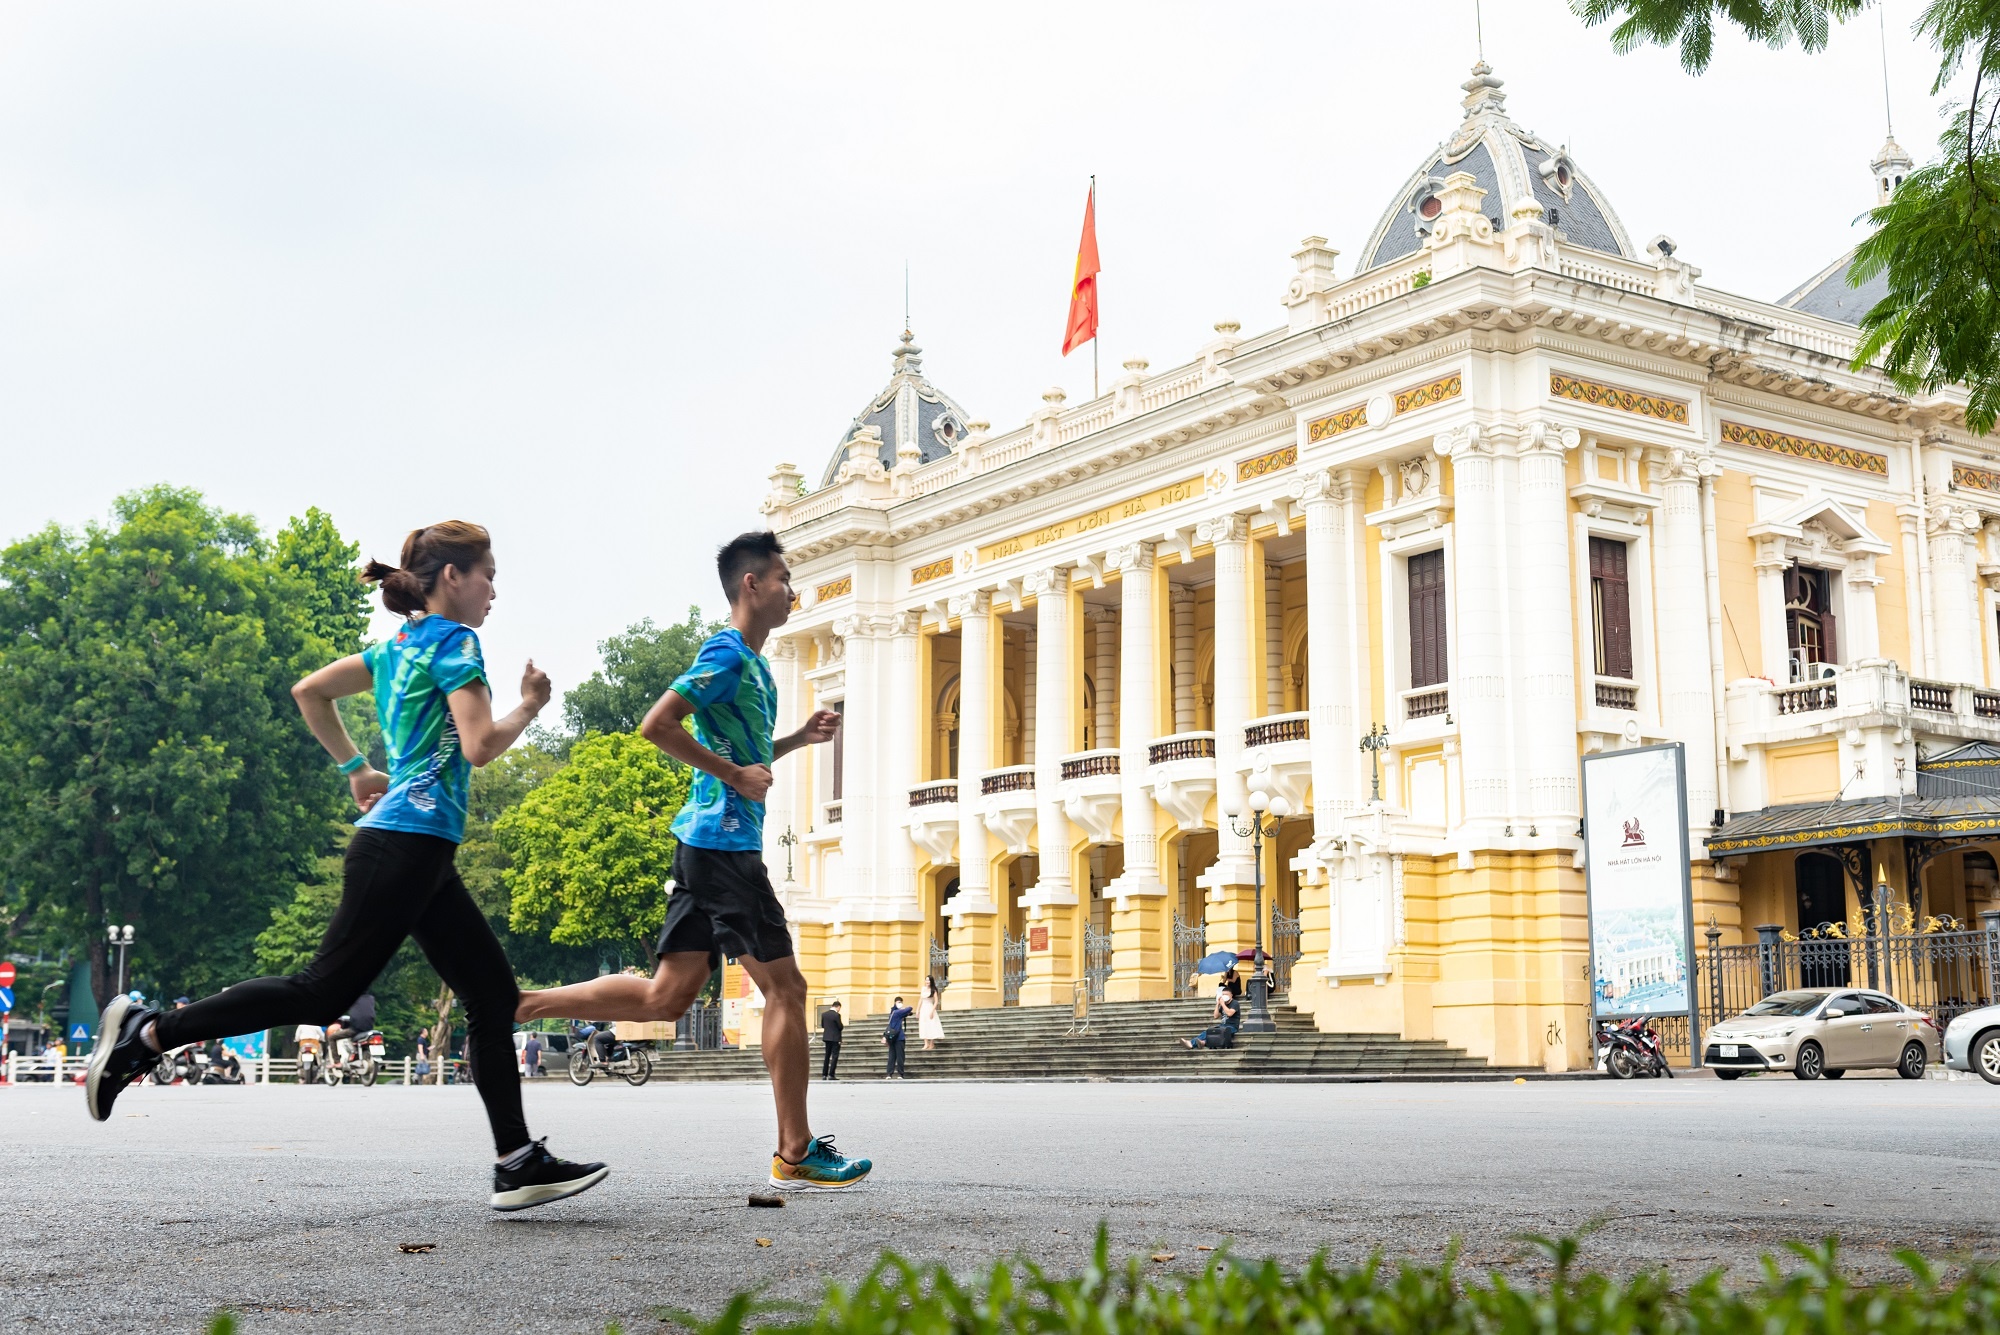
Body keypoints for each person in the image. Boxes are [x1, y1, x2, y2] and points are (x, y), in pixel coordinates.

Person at [83, 521, 608, 1213]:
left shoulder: (397, 647)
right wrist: (531, 707)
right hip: (406, 845)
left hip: (418, 850)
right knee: (320, 992)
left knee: (489, 993)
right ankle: (149, 1031)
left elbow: (310, 691)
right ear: (451, 576)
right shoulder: (454, 642)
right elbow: (480, 745)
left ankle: (516, 1162)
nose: (493, 589)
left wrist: (357, 767)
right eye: (487, 573)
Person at [515, 531, 868, 1192]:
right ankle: (795, 1148)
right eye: (786, 578)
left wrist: (794, 739)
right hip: (724, 847)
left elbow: (748, 754)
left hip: (706, 844)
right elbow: (657, 723)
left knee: (667, 996)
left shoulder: (756, 668)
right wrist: (734, 772)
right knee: (786, 989)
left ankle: (521, 1005)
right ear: (752, 585)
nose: (795, 590)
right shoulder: (726, 654)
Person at [1181, 983, 1240, 1050]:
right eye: (1223, 994)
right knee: (1208, 1032)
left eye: (1226, 995)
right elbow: (1215, 1016)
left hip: (1232, 1027)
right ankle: (1192, 1043)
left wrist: (1223, 1004)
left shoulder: (1235, 1003)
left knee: (1219, 1032)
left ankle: (1201, 1043)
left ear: (1231, 995)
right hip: (1222, 1026)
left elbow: (1229, 1014)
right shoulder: (1222, 1004)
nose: (1224, 996)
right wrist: (1218, 1004)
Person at [883, 996, 912, 1078]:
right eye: (899, 1002)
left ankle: (889, 1074)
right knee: (900, 1057)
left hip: (891, 1037)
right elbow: (910, 1008)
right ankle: (900, 1074)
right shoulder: (897, 1012)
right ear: (896, 1003)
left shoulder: (892, 1012)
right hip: (899, 1037)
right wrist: (904, 1009)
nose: (900, 1004)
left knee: (891, 1056)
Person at [918, 976, 944, 1052]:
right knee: (923, 1025)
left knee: (931, 1024)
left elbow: (936, 1001)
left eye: (928, 980)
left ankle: (931, 1043)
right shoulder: (923, 989)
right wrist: (917, 1010)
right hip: (923, 1009)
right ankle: (926, 1043)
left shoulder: (934, 990)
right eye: (926, 980)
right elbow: (920, 1000)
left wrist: (932, 1011)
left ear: (931, 981)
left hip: (930, 1008)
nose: (927, 982)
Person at [819, 1001, 843, 1081]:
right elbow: (840, 1027)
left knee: (827, 1056)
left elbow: (822, 1025)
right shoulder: (836, 1015)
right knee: (834, 1056)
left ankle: (824, 1074)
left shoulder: (824, 1014)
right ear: (838, 1007)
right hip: (835, 1038)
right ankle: (831, 1074)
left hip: (826, 1037)